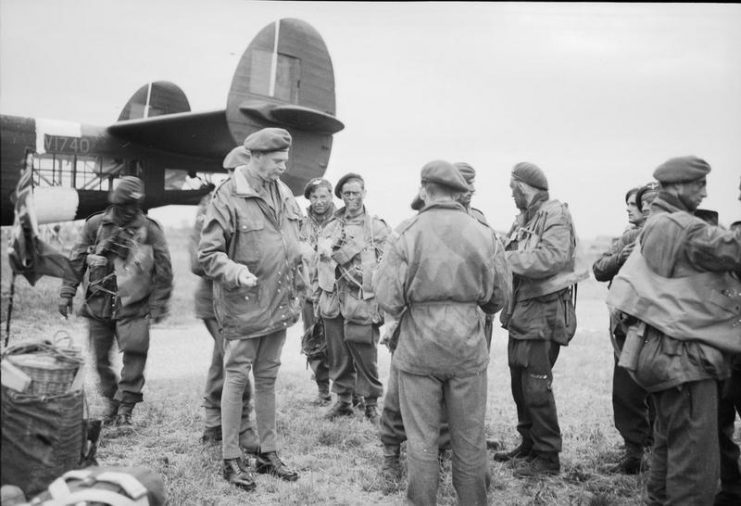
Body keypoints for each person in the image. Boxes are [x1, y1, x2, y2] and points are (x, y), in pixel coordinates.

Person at [374, 160, 511, 505]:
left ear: (424, 189)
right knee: (470, 440)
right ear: (459, 192)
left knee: (422, 442)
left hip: (418, 347)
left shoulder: (406, 232)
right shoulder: (484, 232)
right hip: (467, 346)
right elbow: (498, 298)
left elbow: (388, 296)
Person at [606, 156, 741, 505]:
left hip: (660, 356)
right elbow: (734, 251)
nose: (705, 192)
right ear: (678, 186)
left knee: (667, 455)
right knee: (694, 471)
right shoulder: (683, 228)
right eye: (699, 185)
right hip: (685, 360)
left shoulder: (656, 223)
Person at [198, 128, 304, 491]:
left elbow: (293, 237)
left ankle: (268, 451)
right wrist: (235, 271)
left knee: (269, 378)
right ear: (255, 157)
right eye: (277, 161)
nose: (283, 167)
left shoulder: (285, 191)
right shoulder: (227, 196)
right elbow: (209, 255)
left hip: (280, 303)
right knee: (237, 377)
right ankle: (231, 458)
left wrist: (304, 252)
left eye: (285, 161)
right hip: (244, 306)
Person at [495, 162, 587, 477]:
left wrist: (506, 259)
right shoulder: (525, 219)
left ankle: (548, 456)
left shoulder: (555, 215)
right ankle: (529, 445)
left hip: (543, 315)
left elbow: (552, 258)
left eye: (512, 188)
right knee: (519, 384)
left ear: (525, 187)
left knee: (536, 387)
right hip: (522, 314)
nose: (511, 194)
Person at [59, 176, 173, 428]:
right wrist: (67, 292)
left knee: (135, 356)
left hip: (134, 305)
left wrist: (158, 304)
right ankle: (112, 402)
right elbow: (77, 259)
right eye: (123, 206)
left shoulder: (150, 230)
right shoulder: (96, 225)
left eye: (133, 206)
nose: (129, 212)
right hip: (98, 305)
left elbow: (164, 269)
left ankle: (126, 409)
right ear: (115, 204)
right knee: (99, 359)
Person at [190, 146, 258, 447]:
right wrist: (237, 266)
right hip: (216, 299)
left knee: (226, 359)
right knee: (231, 361)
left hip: (243, 299)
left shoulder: (257, 204)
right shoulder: (212, 205)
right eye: (235, 173)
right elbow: (198, 261)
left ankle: (217, 424)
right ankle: (235, 426)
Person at [592, 183, 657, 474]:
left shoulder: (667, 238)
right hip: (627, 327)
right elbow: (599, 268)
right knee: (627, 392)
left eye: (635, 204)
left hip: (655, 326)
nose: (631, 208)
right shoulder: (628, 238)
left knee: (654, 392)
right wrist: (624, 255)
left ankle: (651, 448)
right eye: (629, 204)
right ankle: (635, 452)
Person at [316, 172, 390, 423]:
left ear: (364, 193)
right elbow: (321, 262)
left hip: (361, 298)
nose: (351, 198)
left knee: (365, 353)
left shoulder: (376, 227)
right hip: (334, 299)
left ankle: (370, 404)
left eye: (355, 193)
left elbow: (389, 262)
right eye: (346, 193)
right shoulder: (331, 226)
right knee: (337, 353)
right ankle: (344, 401)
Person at [298, 177, 336, 405]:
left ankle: (346, 391)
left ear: (331, 196)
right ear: (309, 199)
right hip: (310, 294)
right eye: (314, 197)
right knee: (314, 339)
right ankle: (323, 390)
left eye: (323, 196)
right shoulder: (301, 224)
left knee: (340, 342)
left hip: (336, 293)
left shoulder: (342, 221)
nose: (319, 201)